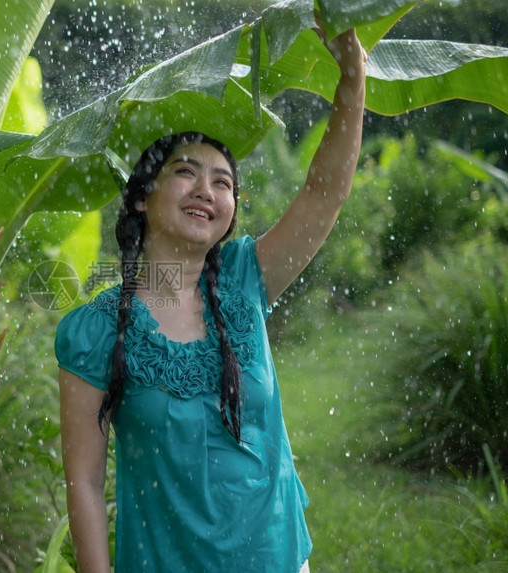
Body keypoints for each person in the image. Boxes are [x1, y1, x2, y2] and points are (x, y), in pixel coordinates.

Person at [54, 25, 366, 573]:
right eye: (185, 173)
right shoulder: (95, 331)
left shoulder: (246, 276)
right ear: (144, 196)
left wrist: (352, 81)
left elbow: (325, 191)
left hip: (277, 559)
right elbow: (83, 480)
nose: (207, 190)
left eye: (223, 183)